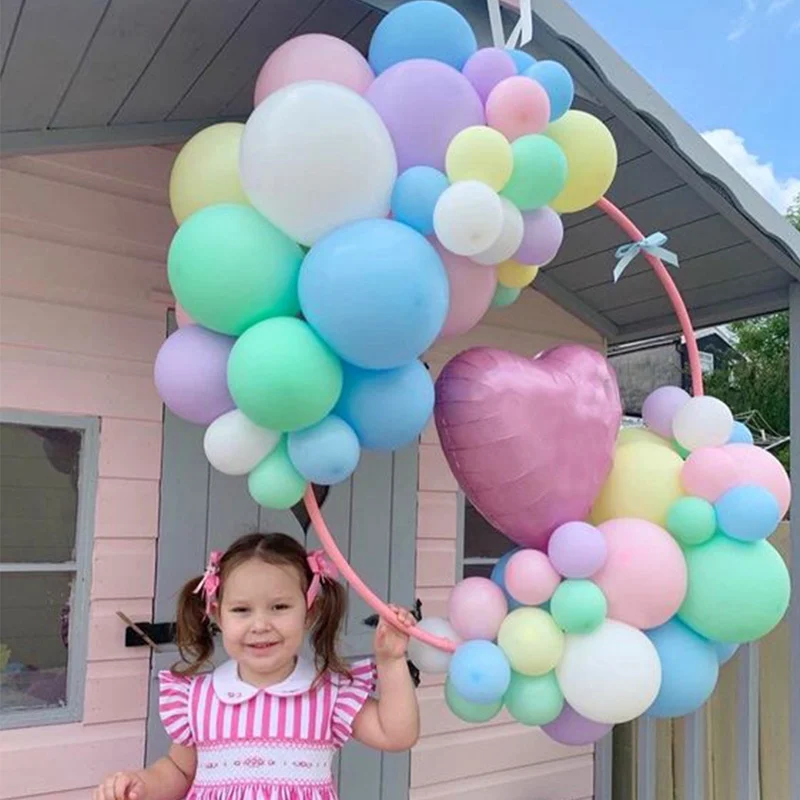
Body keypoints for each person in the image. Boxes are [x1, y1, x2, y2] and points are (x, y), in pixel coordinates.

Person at [94, 532, 420, 800]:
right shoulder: (200, 698)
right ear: (217, 614)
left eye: (279, 607)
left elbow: (396, 734)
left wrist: (391, 661)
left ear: (309, 611)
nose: (260, 625)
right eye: (241, 610)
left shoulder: (328, 693)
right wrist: (142, 786)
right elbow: (179, 771)